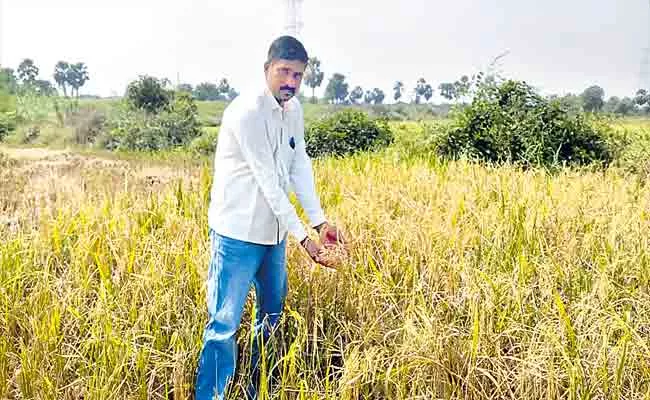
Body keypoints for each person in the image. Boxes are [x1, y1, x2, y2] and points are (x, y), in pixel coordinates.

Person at [194, 35, 347, 400]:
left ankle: (254, 389)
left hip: (273, 234)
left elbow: (299, 165)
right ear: (267, 70)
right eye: (284, 72)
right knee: (224, 324)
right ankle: (210, 395)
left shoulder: (293, 111)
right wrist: (305, 240)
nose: (291, 82)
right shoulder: (247, 112)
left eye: (298, 75)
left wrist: (320, 222)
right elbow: (267, 182)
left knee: (270, 319)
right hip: (237, 234)